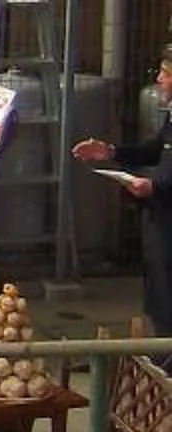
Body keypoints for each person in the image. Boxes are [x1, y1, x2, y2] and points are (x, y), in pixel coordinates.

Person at [74, 42, 172, 341]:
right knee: (159, 293)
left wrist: (154, 186)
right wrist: (111, 151)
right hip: (159, 219)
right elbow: (155, 150)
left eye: (166, 73)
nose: (159, 80)